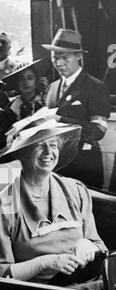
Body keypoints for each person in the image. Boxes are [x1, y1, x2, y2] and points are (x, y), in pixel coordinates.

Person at [0, 119, 107, 287]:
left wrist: (88, 244)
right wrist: (45, 263)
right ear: (22, 154)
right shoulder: (1, 204)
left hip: (89, 284)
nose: (48, 152)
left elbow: (100, 246)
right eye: (39, 145)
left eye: (53, 145)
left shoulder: (76, 191)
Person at [42, 28, 110, 189]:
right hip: (54, 169)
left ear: (79, 56)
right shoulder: (51, 88)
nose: (59, 63)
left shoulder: (95, 87)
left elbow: (97, 131)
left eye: (65, 58)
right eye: (55, 58)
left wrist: (60, 120)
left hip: (84, 170)